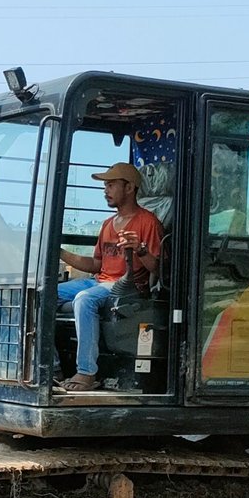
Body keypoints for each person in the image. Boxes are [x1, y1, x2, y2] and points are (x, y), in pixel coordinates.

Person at [55, 162, 164, 392]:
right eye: (105, 185)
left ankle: (87, 373)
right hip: (100, 280)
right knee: (44, 294)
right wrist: (60, 252)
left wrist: (140, 250)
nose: (106, 191)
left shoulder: (148, 222)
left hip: (127, 286)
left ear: (129, 188)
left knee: (85, 299)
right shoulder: (107, 224)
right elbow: (96, 264)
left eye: (111, 185)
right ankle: (53, 367)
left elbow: (158, 267)